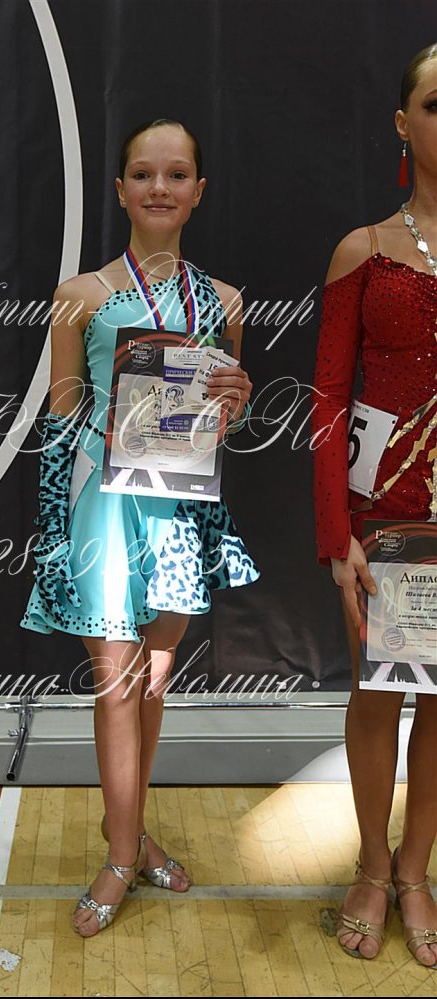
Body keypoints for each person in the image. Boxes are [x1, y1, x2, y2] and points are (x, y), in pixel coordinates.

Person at [19, 118, 260, 937]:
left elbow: (226, 415)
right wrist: (61, 527)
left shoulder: (225, 302)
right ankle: (122, 857)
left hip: (180, 506)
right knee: (117, 681)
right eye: (144, 173)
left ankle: (127, 827)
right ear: (120, 189)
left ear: (199, 191)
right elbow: (60, 416)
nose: (161, 186)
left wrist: (236, 400)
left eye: (177, 173)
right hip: (105, 501)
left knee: (153, 682)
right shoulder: (80, 295)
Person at [311, 44, 437, 967]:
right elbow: (326, 403)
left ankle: (416, 869)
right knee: (379, 690)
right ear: (403, 123)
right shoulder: (365, 249)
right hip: (386, 522)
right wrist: (335, 538)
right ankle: (369, 862)